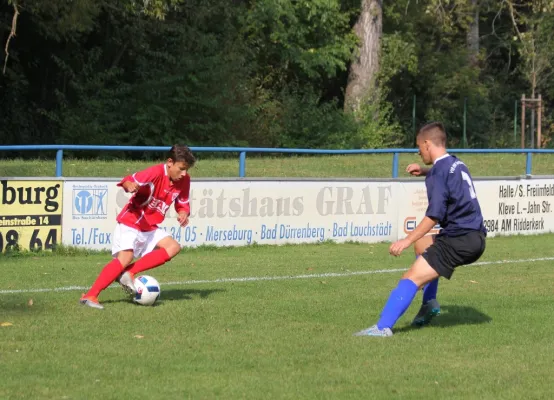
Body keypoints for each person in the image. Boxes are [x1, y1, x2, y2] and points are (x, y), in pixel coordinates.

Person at [354, 122, 487, 336]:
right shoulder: (456, 164)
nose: (418, 151)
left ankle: (382, 328)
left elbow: (433, 215)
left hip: (459, 240)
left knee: (411, 278)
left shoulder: (438, 174)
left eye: (418, 146)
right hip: (476, 235)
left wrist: (404, 240)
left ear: (427, 144)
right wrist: (424, 170)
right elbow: (442, 175)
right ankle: (429, 304)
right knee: (422, 244)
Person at [80, 145, 196, 309]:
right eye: (182, 168)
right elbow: (129, 180)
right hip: (132, 220)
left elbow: (182, 201)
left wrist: (183, 212)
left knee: (173, 247)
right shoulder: (155, 173)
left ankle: (129, 273)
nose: (184, 173)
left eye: (186, 170)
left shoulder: (184, 180)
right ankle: (91, 295)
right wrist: (129, 186)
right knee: (125, 258)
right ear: (170, 162)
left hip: (150, 225)